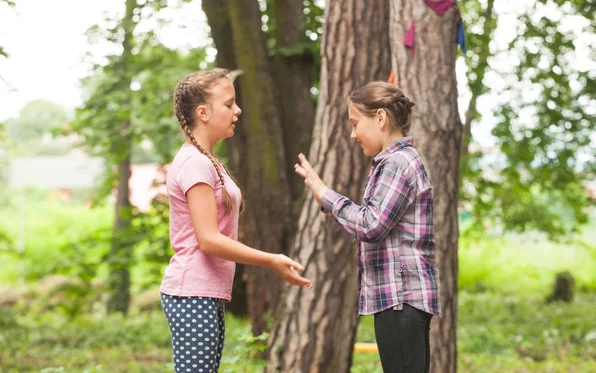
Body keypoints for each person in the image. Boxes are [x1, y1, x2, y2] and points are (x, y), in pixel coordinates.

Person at [161, 68, 312, 373]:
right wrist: (271, 260)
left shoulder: (207, 160)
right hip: (191, 291)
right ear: (203, 113)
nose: (237, 110)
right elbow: (209, 239)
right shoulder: (194, 164)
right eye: (229, 104)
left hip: (205, 292)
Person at [294, 81, 440, 373]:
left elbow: (372, 225)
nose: (352, 133)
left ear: (381, 118)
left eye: (355, 123)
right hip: (401, 300)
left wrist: (325, 193)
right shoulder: (397, 161)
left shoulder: (396, 163)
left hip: (401, 299)